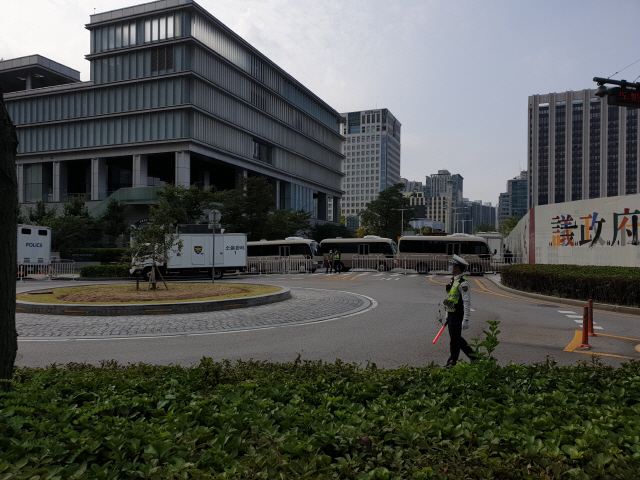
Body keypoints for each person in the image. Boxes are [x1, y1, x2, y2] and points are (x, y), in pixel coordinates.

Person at [443, 254, 476, 367]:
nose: (450, 267)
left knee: (455, 339)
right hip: (452, 314)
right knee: (455, 339)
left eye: (452, 265)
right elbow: (450, 297)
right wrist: (447, 313)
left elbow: (467, 303)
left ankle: (453, 361)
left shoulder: (463, 283)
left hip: (458, 315)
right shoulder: (454, 280)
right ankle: (455, 361)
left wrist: (466, 319)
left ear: (457, 268)